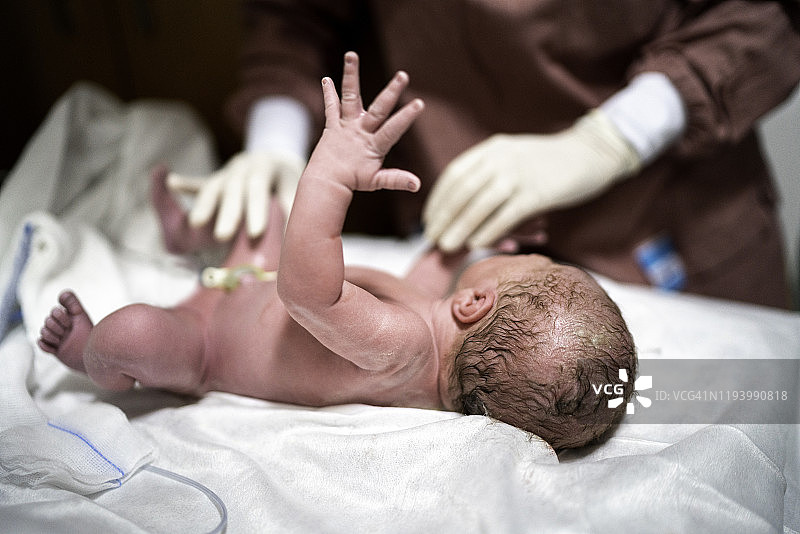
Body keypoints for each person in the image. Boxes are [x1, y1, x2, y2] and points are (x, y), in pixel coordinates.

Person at [38, 53, 636, 450]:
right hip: (252, 280)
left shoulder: (400, 349)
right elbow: (424, 278)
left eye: (538, 262)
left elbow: (308, 292)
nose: (537, 254)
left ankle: (87, 352)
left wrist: (331, 175)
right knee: (260, 208)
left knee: (133, 334)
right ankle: (189, 241)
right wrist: (458, 245)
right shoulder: (427, 331)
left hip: (207, 340)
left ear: (475, 303)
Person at [168, 1, 800, 308]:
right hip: (461, 228)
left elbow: (763, 12)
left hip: (669, 220)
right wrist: (275, 144)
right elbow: (296, 15)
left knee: (717, 416)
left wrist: (611, 140)